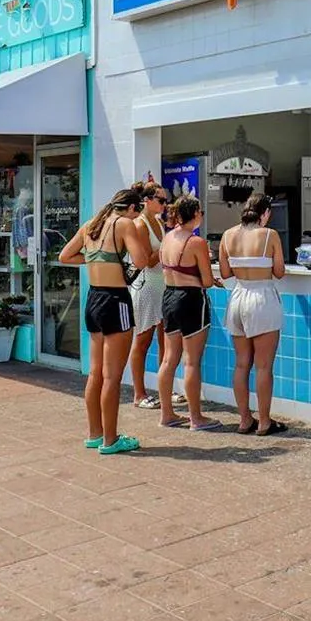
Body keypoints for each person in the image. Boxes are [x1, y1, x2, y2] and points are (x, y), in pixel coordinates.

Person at [58, 186, 154, 455]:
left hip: (94, 299)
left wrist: (95, 260)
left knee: (96, 373)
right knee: (113, 377)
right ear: (133, 208)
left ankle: (95, 434)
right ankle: (111, 440)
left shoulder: (91, 225)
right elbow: (142, 260)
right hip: (115, 301)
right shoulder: (125, 224)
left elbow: (64, 255)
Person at [219, 193, 288, 436]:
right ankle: (265, 422)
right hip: (262, 299)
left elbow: (226, 273)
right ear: (265, 213)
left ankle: (244, 419)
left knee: (241, 365)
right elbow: (279, 272)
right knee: (263, 366)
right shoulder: (270, 235)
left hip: (237, 298)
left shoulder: (228, 235)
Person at [156, 195, 220, 431]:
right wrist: (213, 279)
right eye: (200, 211)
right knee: (191, 362)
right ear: (194, 214)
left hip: (169, 297)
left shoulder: (167, 238)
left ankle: (167, 414)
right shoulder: (196, 242)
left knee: (168, 359)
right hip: (192, 300)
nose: (202, 215)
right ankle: (196, 418)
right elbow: (206, 280)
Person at [127, 183, 168, 409]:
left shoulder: (159, 223)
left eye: (165, 200)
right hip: (146, 286)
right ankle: (139, 393)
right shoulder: (140, 225)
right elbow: (146, 260)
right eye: (161, 200)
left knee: (165, 341)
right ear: (147, 200)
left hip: (162, 285)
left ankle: (164, 388)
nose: (164, 204)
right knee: (142, 340)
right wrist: (169, 245)